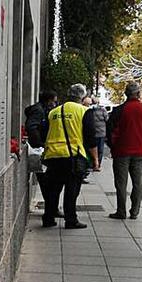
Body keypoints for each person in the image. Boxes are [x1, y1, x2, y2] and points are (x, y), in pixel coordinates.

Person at [41, 84, 99, 229]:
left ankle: (48, 218)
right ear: (82, 97)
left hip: (53, 155)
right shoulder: (84, 111)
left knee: (53, 189)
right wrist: (95, 160)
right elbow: (90, 137)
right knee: (71, 190)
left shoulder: (53, 112)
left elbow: (44, 133)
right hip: (73, 156)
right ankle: (70, 219)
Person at [106, 81, 142, 220]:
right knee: (138, 183)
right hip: (139, 151)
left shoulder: (119, 110)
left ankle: (121, 211)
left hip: (121, 151)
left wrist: (113, 146)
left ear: (126, 94)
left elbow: (109, 131)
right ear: (138, 94)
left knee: (121, 183)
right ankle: (135, 211)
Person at [25, 90, 61, 217]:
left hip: (41, 148)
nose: (55, 104)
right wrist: (40, 144)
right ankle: (51, 210)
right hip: (40, 149)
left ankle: (52, 209)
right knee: (47, 183)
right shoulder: (39, 111)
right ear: (49, 100)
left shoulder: (41, 110)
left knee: (47, 183)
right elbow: (32, 127)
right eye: (54, 101)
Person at [83, 95, 109, 171]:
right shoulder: (102, 110)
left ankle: (93, 164)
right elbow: (107, 119)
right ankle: (97, 164)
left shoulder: (89, 110)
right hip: (100, 132)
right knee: (99, 150)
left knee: (92, 148)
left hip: (94, 132)